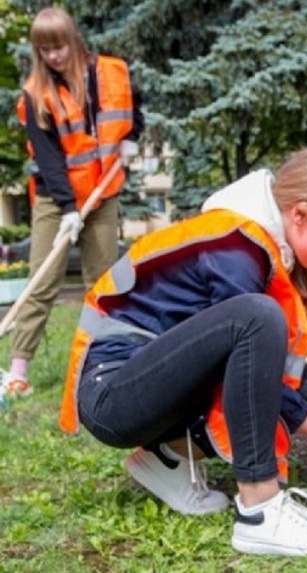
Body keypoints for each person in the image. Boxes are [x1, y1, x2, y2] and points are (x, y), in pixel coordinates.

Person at [60, 147, 307, 557]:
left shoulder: (253, 243)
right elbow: (249, 332)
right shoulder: (236, 247)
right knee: (256, 317)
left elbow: (252, 372)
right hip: (112, 394)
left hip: (146, 382)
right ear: (300, 214)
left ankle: (168, 458)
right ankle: (260, 510)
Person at [6, 7, 144, 397]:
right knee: (41, 279)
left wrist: (133, 134)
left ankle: (109, 360)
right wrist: (67, 209)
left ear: (73, 39)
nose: (54, 56)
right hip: (56, 198)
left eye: (59, 46)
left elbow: (135, 105)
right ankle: (18, 371)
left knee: (102, 280)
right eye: (44, 49)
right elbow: (48, 158)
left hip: (102, 191)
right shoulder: (36, 94)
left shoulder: (112, 72)